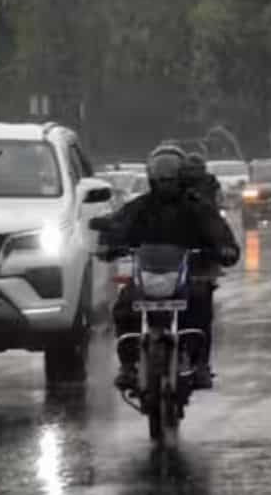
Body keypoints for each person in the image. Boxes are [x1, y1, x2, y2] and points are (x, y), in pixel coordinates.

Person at [93, 145, 240, 391]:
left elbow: (217, 228)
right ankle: (128, 365)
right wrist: (108, 244)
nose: (165, 181)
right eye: (160, 174)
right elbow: (119, 224)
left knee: (201, 300)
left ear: (181, 176)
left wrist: (225, 248)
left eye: (170, 174)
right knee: (124, 303)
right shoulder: (140, 206)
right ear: (151, 176)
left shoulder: (196, 206)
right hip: (148, 273)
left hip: (186, 273)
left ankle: (200, 363)